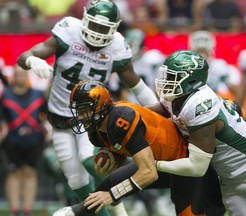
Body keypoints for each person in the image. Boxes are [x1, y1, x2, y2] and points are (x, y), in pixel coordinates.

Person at [17, 0, 158, 215]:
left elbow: (135, 83)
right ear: (84, 20)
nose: (98, 33)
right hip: (59, 118)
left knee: (89, 159)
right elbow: (24, 56)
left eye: (104, 28)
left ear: (115, 27)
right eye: (95, 25)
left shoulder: (117, 45)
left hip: (93, 116)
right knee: (75, 179)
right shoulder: (69, 32)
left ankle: (119, 208)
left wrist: (158, 110)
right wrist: (32, 61)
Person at [53, 80, 225, 216]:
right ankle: (77, 212)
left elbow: (148, 173)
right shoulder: (97, 132)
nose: (80, 116)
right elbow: (124, 151)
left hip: (184, 160)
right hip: (158, 161)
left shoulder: (121, 120)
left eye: (85, 111)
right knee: (109, 183)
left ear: (100, 107)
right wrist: (111, 156)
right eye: (78, 111)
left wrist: (112, 195)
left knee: (189, 212)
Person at [148, 50, 246, 215]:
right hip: (229, 178)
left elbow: (197, 166)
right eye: (167, 76)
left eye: (172, 77)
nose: (167, 81)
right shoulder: (176, 98)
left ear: (191, 79)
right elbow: (148, 116)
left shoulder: (201, 105)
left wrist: (154, 164)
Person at [0, 65, 48, 216]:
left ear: (27, 76)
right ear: (13, 76)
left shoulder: (38, 95)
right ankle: (14, 210)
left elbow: (46, 116)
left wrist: (46, 130)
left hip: (35, 140)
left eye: (23, 74)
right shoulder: (5, 95)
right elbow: (2, 119)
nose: (20, 77)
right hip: (12, 141)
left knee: (30, 172)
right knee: (14, 173)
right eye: (17, 74)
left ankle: (27, 210)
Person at [188, 30, 242, 105]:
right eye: (199, 51)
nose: (201, 56)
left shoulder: (217, 66)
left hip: (213, 109)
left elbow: (237, 91)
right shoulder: (187, 67)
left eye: (203, 51)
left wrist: (233, 110)